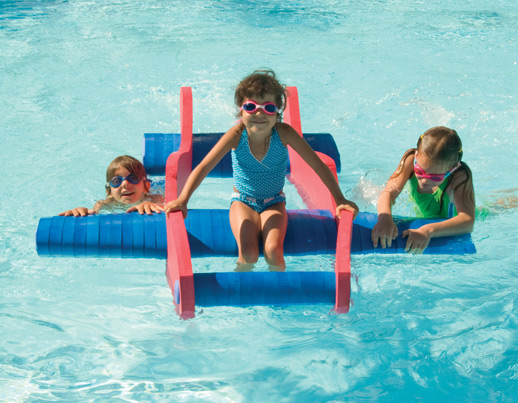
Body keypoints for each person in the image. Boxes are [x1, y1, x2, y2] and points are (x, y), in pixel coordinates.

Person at [165, 69, 358, 271]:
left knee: (274, 252)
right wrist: (183, 200)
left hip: (274, 202)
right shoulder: (236, 136)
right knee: (248, 255)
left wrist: (340, 199)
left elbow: (317, 165)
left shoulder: (284, 134)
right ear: (241, 111)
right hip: (243, 202)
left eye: (268, 107)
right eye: (251, 106)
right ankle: (241, 290)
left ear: (277, 113)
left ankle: (279, 299)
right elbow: (204, 166)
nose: (259, 113)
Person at [371, 126, 475, 254]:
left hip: (450, 219)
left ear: (452, 169)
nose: (424, 180)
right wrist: (385, 218)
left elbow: (467, 221)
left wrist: (428, 231)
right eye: (420, 171)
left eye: (435, 177)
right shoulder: (410, 159)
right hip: (423, 212)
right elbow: (389, 192)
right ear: (416, 156)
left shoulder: (459, 177)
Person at [59, 155, 164, 217]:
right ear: (109, 192)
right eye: (117, 181)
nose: (125, 184)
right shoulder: (104, 204)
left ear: (146, 186)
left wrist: (151, 205)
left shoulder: (155, 199)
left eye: (133, 178)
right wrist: (81, 213)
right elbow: (93, 218)